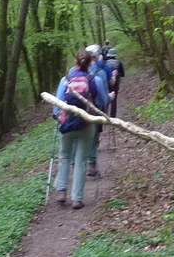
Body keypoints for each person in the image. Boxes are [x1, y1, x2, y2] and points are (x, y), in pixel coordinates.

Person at [52, 49, 108, 209]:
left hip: (67, 123)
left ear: (75, 62)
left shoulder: (65, 80)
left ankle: (61, 191)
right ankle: (77, 198)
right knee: (81, 160)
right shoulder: (95, 80)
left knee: (64, 156)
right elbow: (103, 101)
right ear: (91, 62)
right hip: (86, 123)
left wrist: (58, 117)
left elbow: (57, 105)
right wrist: (109, 97)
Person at [84, 44, 110, 177]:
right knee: (94, 137)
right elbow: (104, 99)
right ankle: (91, 164)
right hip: (94, 110)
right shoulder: (101, 73)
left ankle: (76, 161)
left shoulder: (72, 73)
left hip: (75, 110)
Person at [103, 47, 124, 120]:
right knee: (114, 99)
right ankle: (113, 116)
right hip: (116, 83)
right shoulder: (119, 63)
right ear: (115, 55)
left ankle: (104, 114)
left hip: (107, 83)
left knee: (106, 97)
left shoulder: (105, 63)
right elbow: (123, 74)